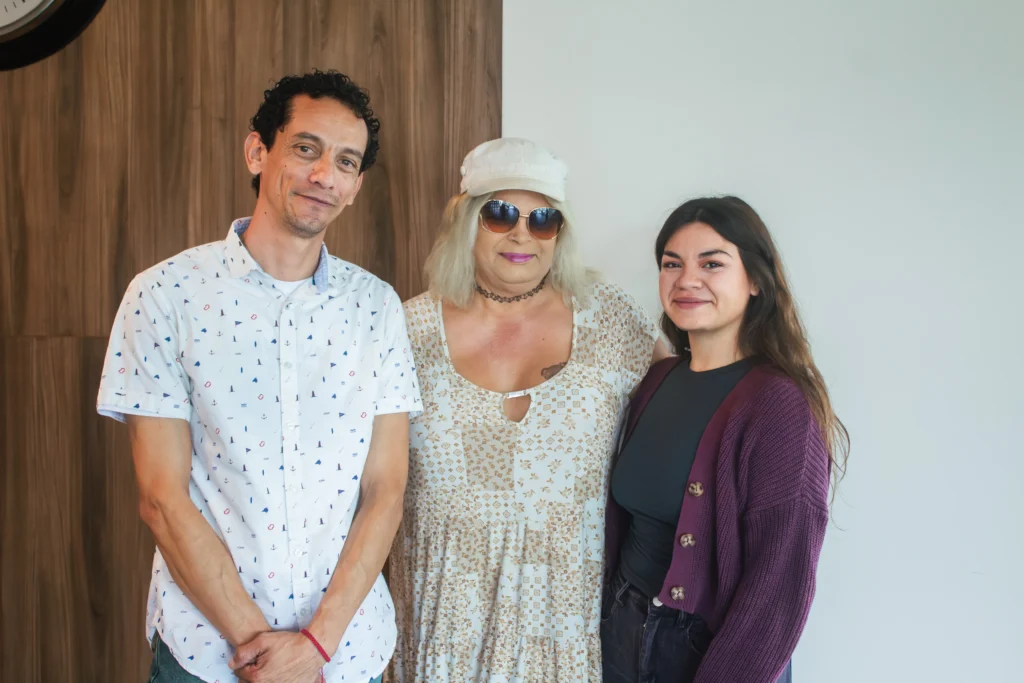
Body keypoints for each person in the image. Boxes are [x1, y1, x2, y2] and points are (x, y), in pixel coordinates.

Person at [96, 70, 421, 683]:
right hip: (210, 655)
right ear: (257, 151)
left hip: (347, 655)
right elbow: (161, 498)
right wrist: (268, 656)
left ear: (355, 186)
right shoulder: (165, 295)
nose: (325, 175)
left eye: (346, 162)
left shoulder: (376, 307)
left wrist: (315, 650)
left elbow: (386, 490)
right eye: (306, 149)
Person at [387, 138, 671, 682]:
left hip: (563, 631)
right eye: (500, 213)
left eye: (543, 218)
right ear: (467, 218)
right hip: (438, 628)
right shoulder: (405, 330)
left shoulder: (611, 321)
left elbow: (689, 406)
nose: (522, 233)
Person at [601, 196, 849, 682]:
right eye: (672, 264)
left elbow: (778, 587)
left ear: (756, 280)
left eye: (711, 263)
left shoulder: (779, 405)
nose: (687, 279)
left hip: (702, 651)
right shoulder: (655, 380)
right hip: (621, 626)